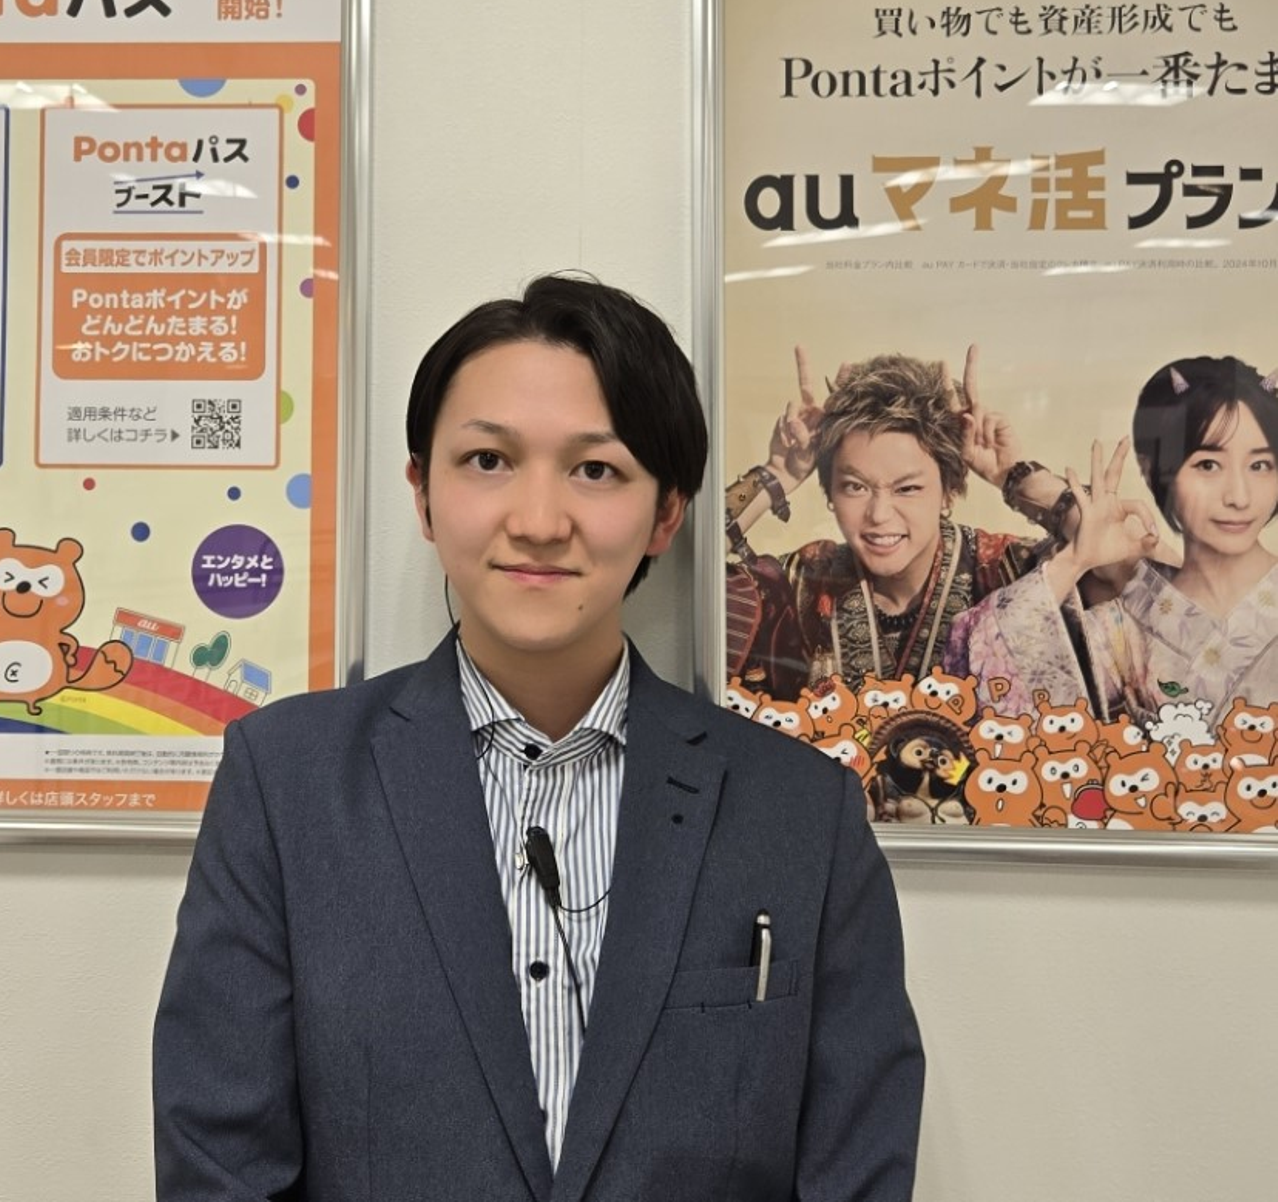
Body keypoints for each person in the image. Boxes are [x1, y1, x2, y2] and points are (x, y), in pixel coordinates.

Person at [153, 274, 924, 1202]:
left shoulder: (803, 813)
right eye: (488, 460)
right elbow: (219, 1167)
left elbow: (857, 1167)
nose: (538, 522)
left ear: (667, 512)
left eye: (595, 470)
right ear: (423, 494)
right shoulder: (288, 783)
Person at [726, 345, 1078, 704]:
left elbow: (1109, 556)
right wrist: (775, 476)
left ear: (949, 491)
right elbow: (694, 581)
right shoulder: (801, 584)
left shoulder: (1004, 571)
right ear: (830, 491)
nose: (879, 514)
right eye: (855, 487)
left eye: (907, 488)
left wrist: (1017, 478)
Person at [946, 355, 1278, 728]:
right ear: (1155, 472)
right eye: (1207, 465)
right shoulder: (1123, 627)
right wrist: (1075, 556)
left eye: (1260, 465)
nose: (1238, 496)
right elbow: (990, 673)